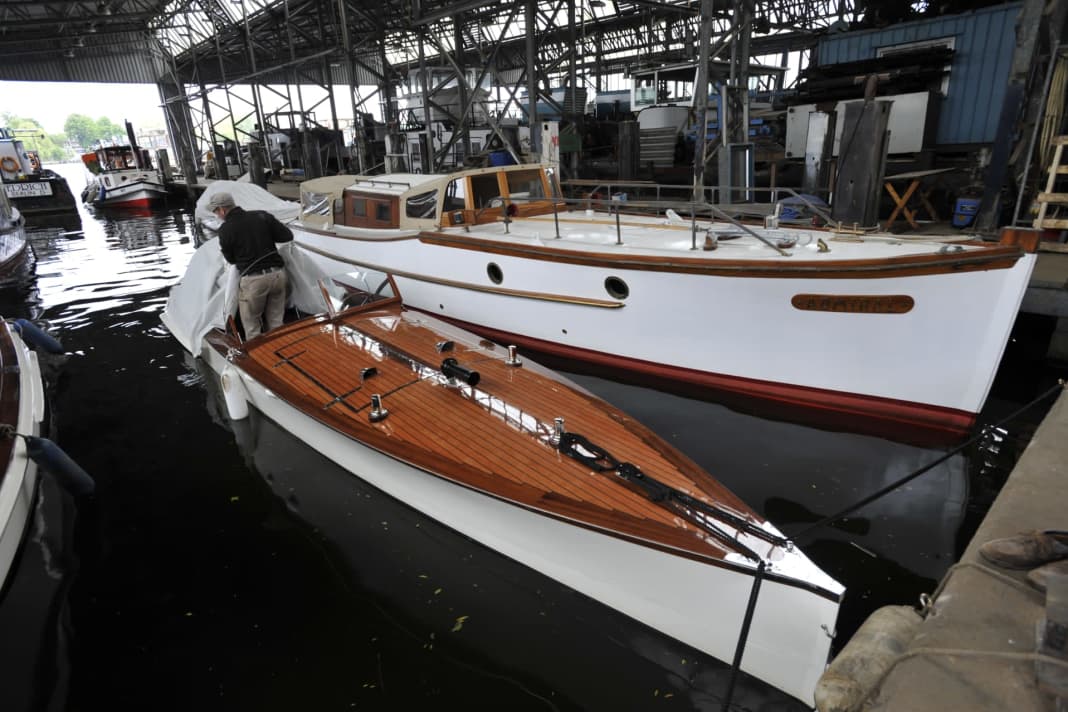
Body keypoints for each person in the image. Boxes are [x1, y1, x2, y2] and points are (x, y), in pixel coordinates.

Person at [210, 191, 293, 340]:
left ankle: (259, 354)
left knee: (252, 326)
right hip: (278, 276)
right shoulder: (262, 216)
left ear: (222, 210)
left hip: (253, 281)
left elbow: (231, 260)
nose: (217, 215)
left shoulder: (225, 230)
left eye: (216, 212)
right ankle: (280, 350)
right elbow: (287, 236)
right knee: (276, 322)